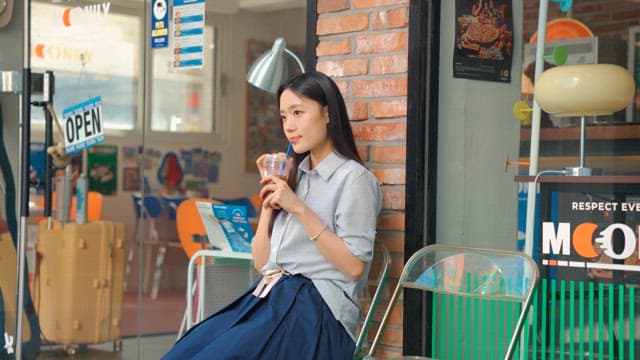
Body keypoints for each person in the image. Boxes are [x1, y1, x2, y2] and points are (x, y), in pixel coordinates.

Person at [162, 71, 382, 359]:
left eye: (298, 112)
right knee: (183, 353)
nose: (290, 125)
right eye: (283, 117)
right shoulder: (297, 177)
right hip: (270, 296)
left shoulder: (354, 179)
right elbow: (262, 261)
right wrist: (269, 202)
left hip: (317, 311)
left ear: (327, 113)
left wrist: (298, 207)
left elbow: (354, 267)